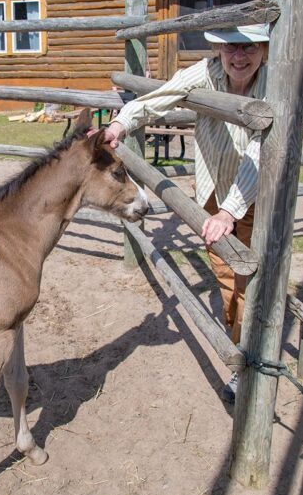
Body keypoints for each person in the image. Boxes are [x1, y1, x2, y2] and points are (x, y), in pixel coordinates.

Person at [103, 23, 270, 403]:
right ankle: (241, 354)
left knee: (256, 276)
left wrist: (230, 211)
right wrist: (120, 123)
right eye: (231, 48)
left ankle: (249, 359)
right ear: (219, 50)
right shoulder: (206, 73)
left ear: (263, 49)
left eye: (249, 48)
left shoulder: (274, 83)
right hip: (215, 192)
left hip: (258, 194)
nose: (239, 57)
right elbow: (159, 98)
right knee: (229, 275)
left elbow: (261, 152)